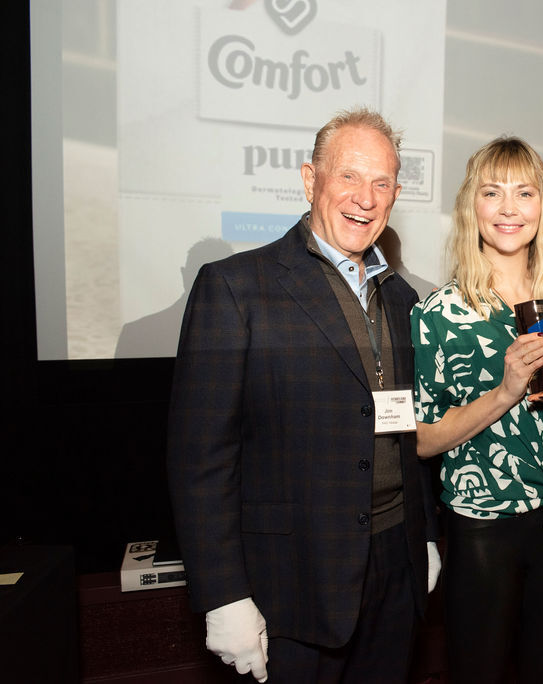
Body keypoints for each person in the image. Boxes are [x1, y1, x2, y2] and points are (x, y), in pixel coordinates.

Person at [166, 107, 440, 683]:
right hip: (291, 580)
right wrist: (223, 595)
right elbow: (201, 462)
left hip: (396, 560)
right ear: (310, 179)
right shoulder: (236, 288)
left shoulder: (402, 298)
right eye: (348, 176)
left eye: (382, 182)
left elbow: (409, 427)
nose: (365, 197)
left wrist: (428, 536)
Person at [412, 136, 543, 684]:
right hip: (484, 525)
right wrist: (505, 389)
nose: (510, 209)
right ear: (472, 206)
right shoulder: (439, 313)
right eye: (493, 193)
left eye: (525, 192)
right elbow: (423, 439)